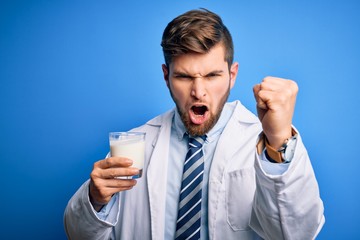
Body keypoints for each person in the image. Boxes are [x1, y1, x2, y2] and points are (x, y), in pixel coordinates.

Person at [64, 8, 325, 240]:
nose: (198, 92)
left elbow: (297, 234)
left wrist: (278, 139)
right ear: (166, 77)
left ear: (232, 75)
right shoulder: (133, 144)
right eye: (184, 76)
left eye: (212, 75)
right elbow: (78, 234)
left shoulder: (268, 144)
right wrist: (95, 201)